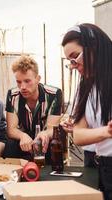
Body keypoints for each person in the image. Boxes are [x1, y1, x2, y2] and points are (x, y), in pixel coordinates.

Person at [62, 23, 112, 200]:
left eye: (75, 57)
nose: (74, 65)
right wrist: (106, 131)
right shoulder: (87, 86)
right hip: (102, 167)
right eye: (70, 61)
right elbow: (79, 136)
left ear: (93, 46)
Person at [3, 55, 62, 163]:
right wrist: (22, 136)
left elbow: (51, 129)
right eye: (19, 82)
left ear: (38, 79)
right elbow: (11, 130)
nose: (22, 87)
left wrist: (44, 134)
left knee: (52, 141)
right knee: (10, 144)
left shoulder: (54, 94)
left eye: (27, 81)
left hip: (44, 140)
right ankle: (11, 174)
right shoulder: (12, 95)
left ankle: (50, 176)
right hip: (21, 142)